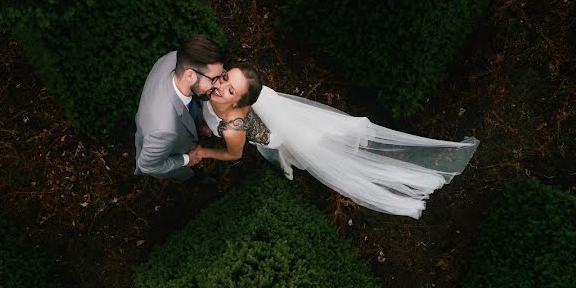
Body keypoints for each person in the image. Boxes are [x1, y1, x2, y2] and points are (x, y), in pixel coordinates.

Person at [194, 64, 479, 218]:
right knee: (320, 137)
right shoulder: (223, 92)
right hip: (276, 121)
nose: (218, 85)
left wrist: (204, 152)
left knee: (320, 150)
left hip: (277, 135)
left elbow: (234, 155)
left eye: (228, 88)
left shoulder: (234, 129)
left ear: (240, 100)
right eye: (224, 78)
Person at [134, 35, 225, 182]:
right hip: (172, 149)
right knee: (188, 175)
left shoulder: (175, 59)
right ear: (190, 75)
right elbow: (147, 166)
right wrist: (187, 159)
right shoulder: (164, 130)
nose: (218, 85)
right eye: (214, 79)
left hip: (174, 114)